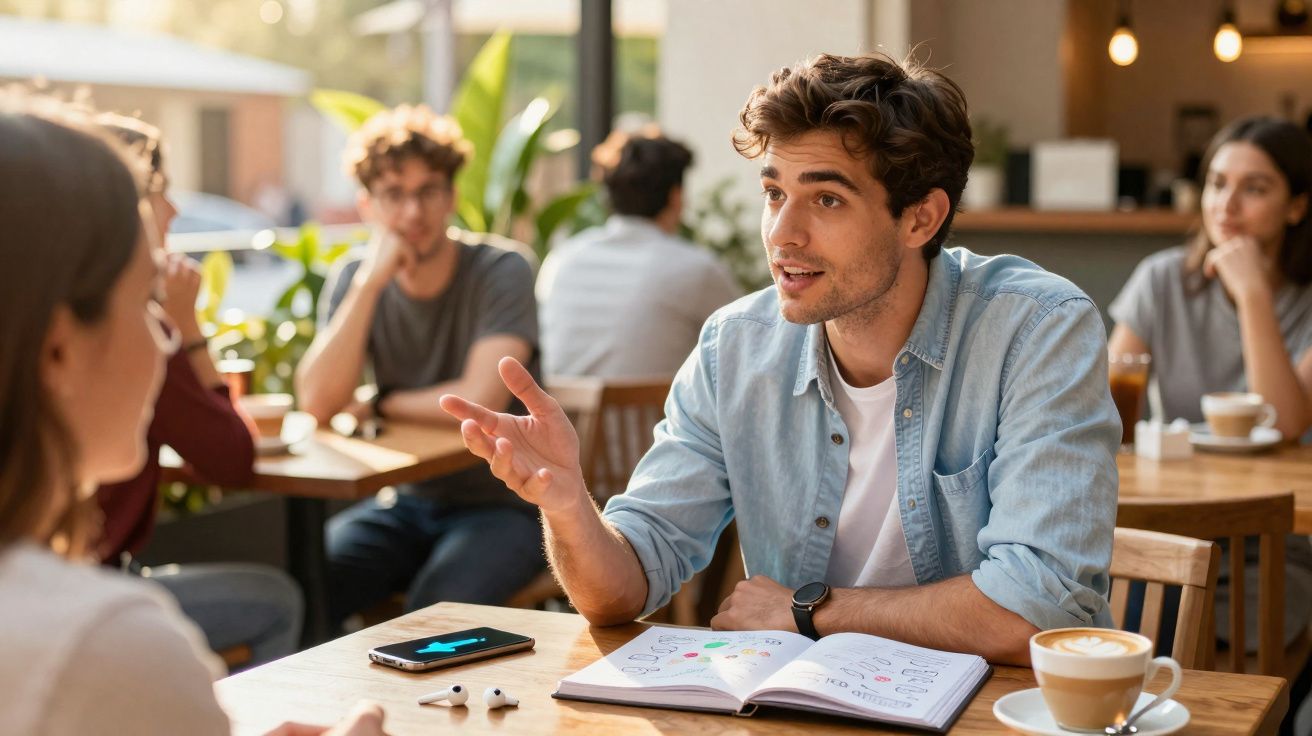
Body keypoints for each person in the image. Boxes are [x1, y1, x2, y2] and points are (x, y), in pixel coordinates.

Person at [441, 52, 1120, 665]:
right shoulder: (733, 348)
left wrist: (808, 612)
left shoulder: (1036, 330)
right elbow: (622, 590)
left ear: (921, 218)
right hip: (804, 709)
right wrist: (569, 507)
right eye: (774, 193)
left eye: (825, 198)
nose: (782, 234)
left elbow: (1039, 608)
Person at [0, 90, 386, 736]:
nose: (161, 337)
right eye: (146, 301)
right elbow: (230, 454)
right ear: (60, 348)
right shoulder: (106, 642)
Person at [294, 104, 545, 626]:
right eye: (393, 195)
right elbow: (316, 403)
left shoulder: (501, 269)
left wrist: (381, 401)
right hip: (406, 502)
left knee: (433, 613)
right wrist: (368, 285)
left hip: (507, 503)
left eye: (428, 190)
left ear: (452, 195)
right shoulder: (354, 281)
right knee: (310, 585)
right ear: (367, 205)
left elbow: (481, 399)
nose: (413, 212)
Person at [95, 112, 303, 667]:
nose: (175, 210)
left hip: (44, 587)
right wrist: (185, 329)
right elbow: (232, 458)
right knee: (277, 602)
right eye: (160, 191)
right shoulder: (134, 329)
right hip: (95, 591)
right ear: (126, 204)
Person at [1108, 117, 1312, 678]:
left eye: (1255, 187)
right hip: (1174, 528)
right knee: (1127, 642)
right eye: (1218, 183)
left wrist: (1251, 293)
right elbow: (1105, 399)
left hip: (1273, 543)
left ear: (1297, 206)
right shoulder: (1162, 279)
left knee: (1221, 671)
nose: (1227, 203)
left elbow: (1287, 421)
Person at [536, 128, 741, 378]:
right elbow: (746, 341)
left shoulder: (561, 258)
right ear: (676, 197)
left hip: (562, 416)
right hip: (656, 418)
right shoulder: (696, 269)